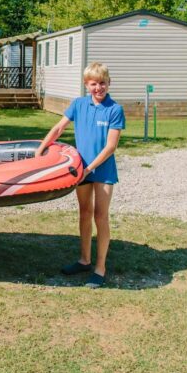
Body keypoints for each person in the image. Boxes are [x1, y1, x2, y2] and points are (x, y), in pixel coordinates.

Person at [36, 62, 125, 288]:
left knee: (100, 216)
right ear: (87, 85)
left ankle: (100, 268)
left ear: (109, 83)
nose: (99, 88)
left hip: (102, 170)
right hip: (81, 168)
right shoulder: (78, 104)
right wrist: (41, 149)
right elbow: (58, 128)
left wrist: (89, 168)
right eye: (94, 84)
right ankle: (84, 259)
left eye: (102, 83)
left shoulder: (114, 109)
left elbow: (110, 146)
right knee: (84, 213)